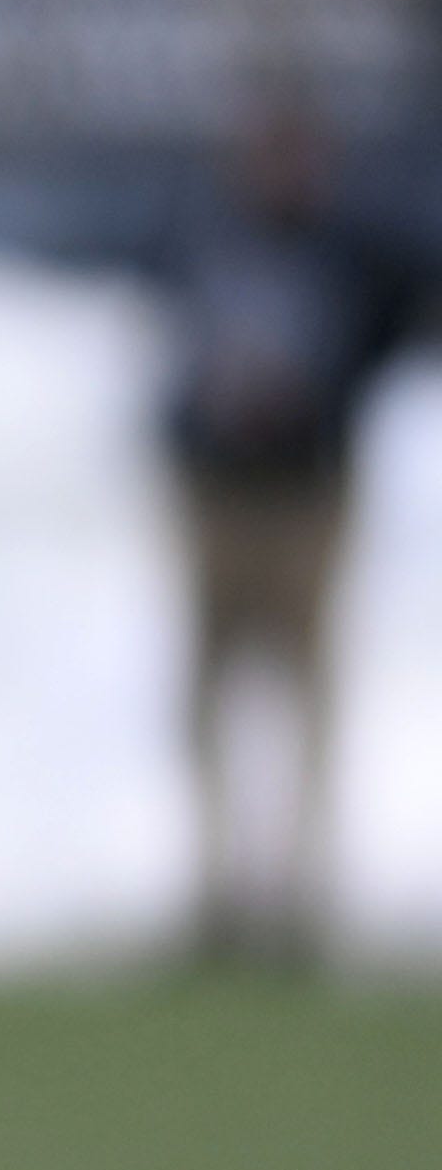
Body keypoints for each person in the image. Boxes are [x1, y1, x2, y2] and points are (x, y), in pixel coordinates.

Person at [159, 87, 416, 969]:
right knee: (206, 694)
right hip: (219, 493)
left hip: (307, 495)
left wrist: (319, 402)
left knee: (308, 696)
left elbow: (386, 339)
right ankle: (217, 891)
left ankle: (301, 897)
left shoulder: (353, 254)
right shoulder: (206, 241)